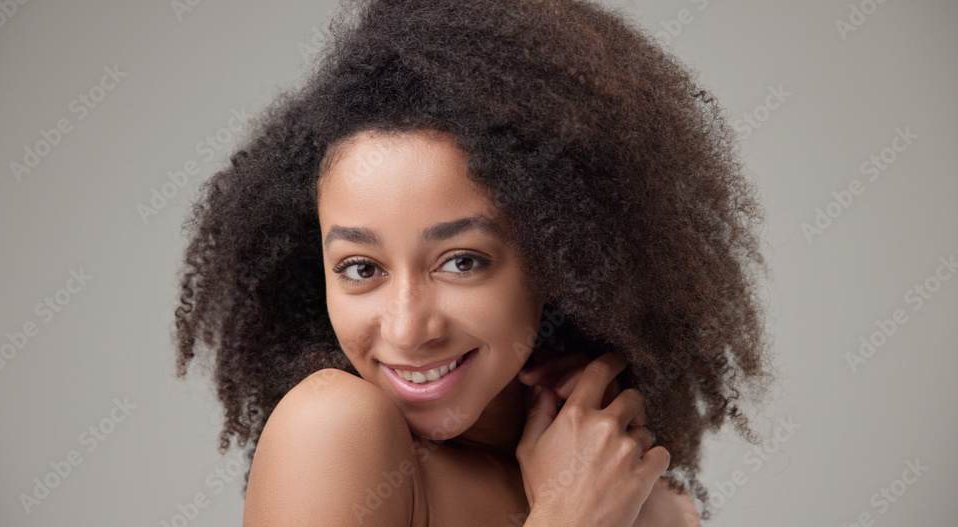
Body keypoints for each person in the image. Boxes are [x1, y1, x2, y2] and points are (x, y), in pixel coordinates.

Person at [172, 0, 774, 524]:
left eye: (461, 262)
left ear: (558, 257)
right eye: (361, 268)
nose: (408, 329)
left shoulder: (639, 500)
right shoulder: (333, 430)